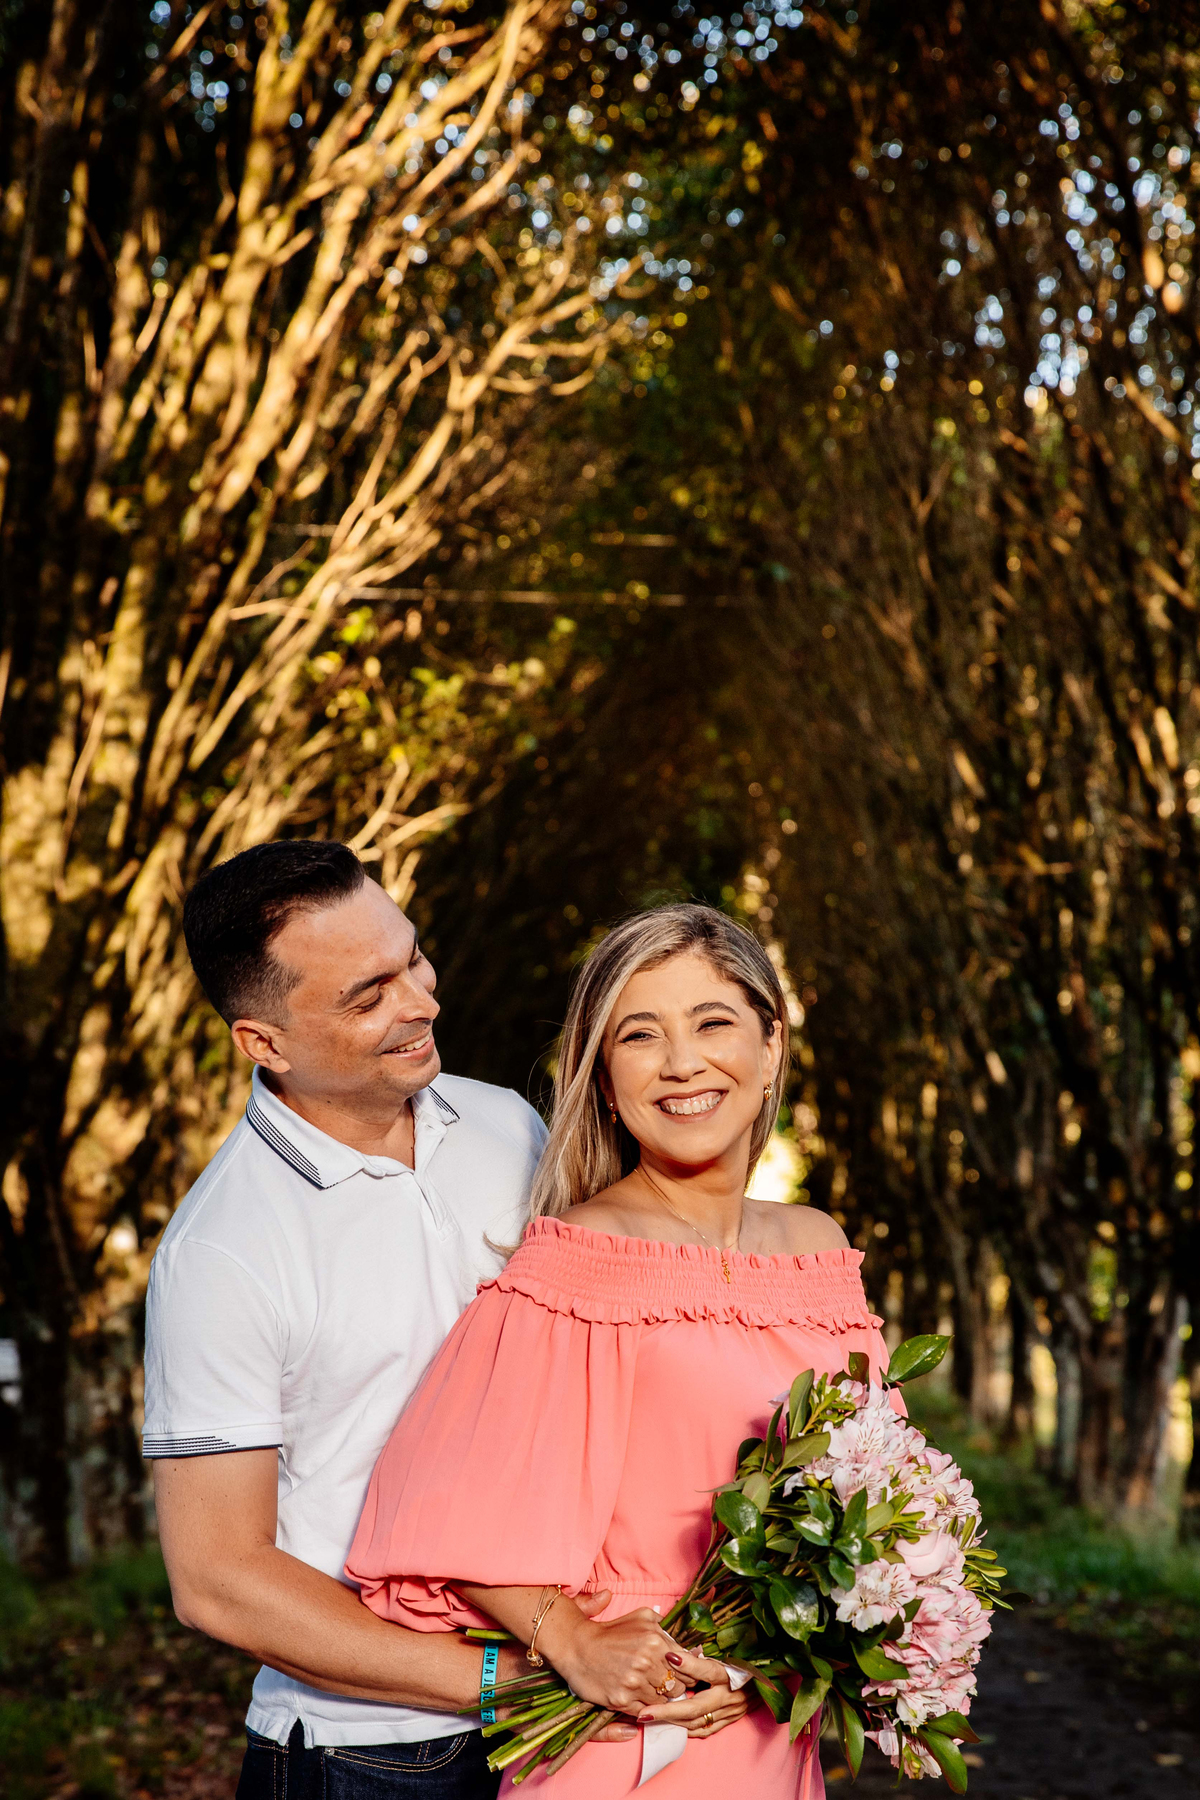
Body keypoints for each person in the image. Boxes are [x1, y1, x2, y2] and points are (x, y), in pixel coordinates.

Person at [346, 904, 894, 1798]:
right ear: (605, 1079)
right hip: (627, 1734)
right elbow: (444, 1515)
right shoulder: (580, 1258)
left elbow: (876, 1488)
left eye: (713, 1022)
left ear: (770, 1047)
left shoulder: (817, 1246)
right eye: (640, 1036)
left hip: (764, 1724)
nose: (682, 1062)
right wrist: (577, 1641)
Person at [144, 841, 630, 1800]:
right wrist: (503, 1681)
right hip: (370, 1756)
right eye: (368, 995)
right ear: (264, 1042)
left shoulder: (510, 1127)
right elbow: (218, 1577)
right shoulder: (221, 1251)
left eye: (413, 958)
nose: (421, 1001)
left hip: (564, 1726)